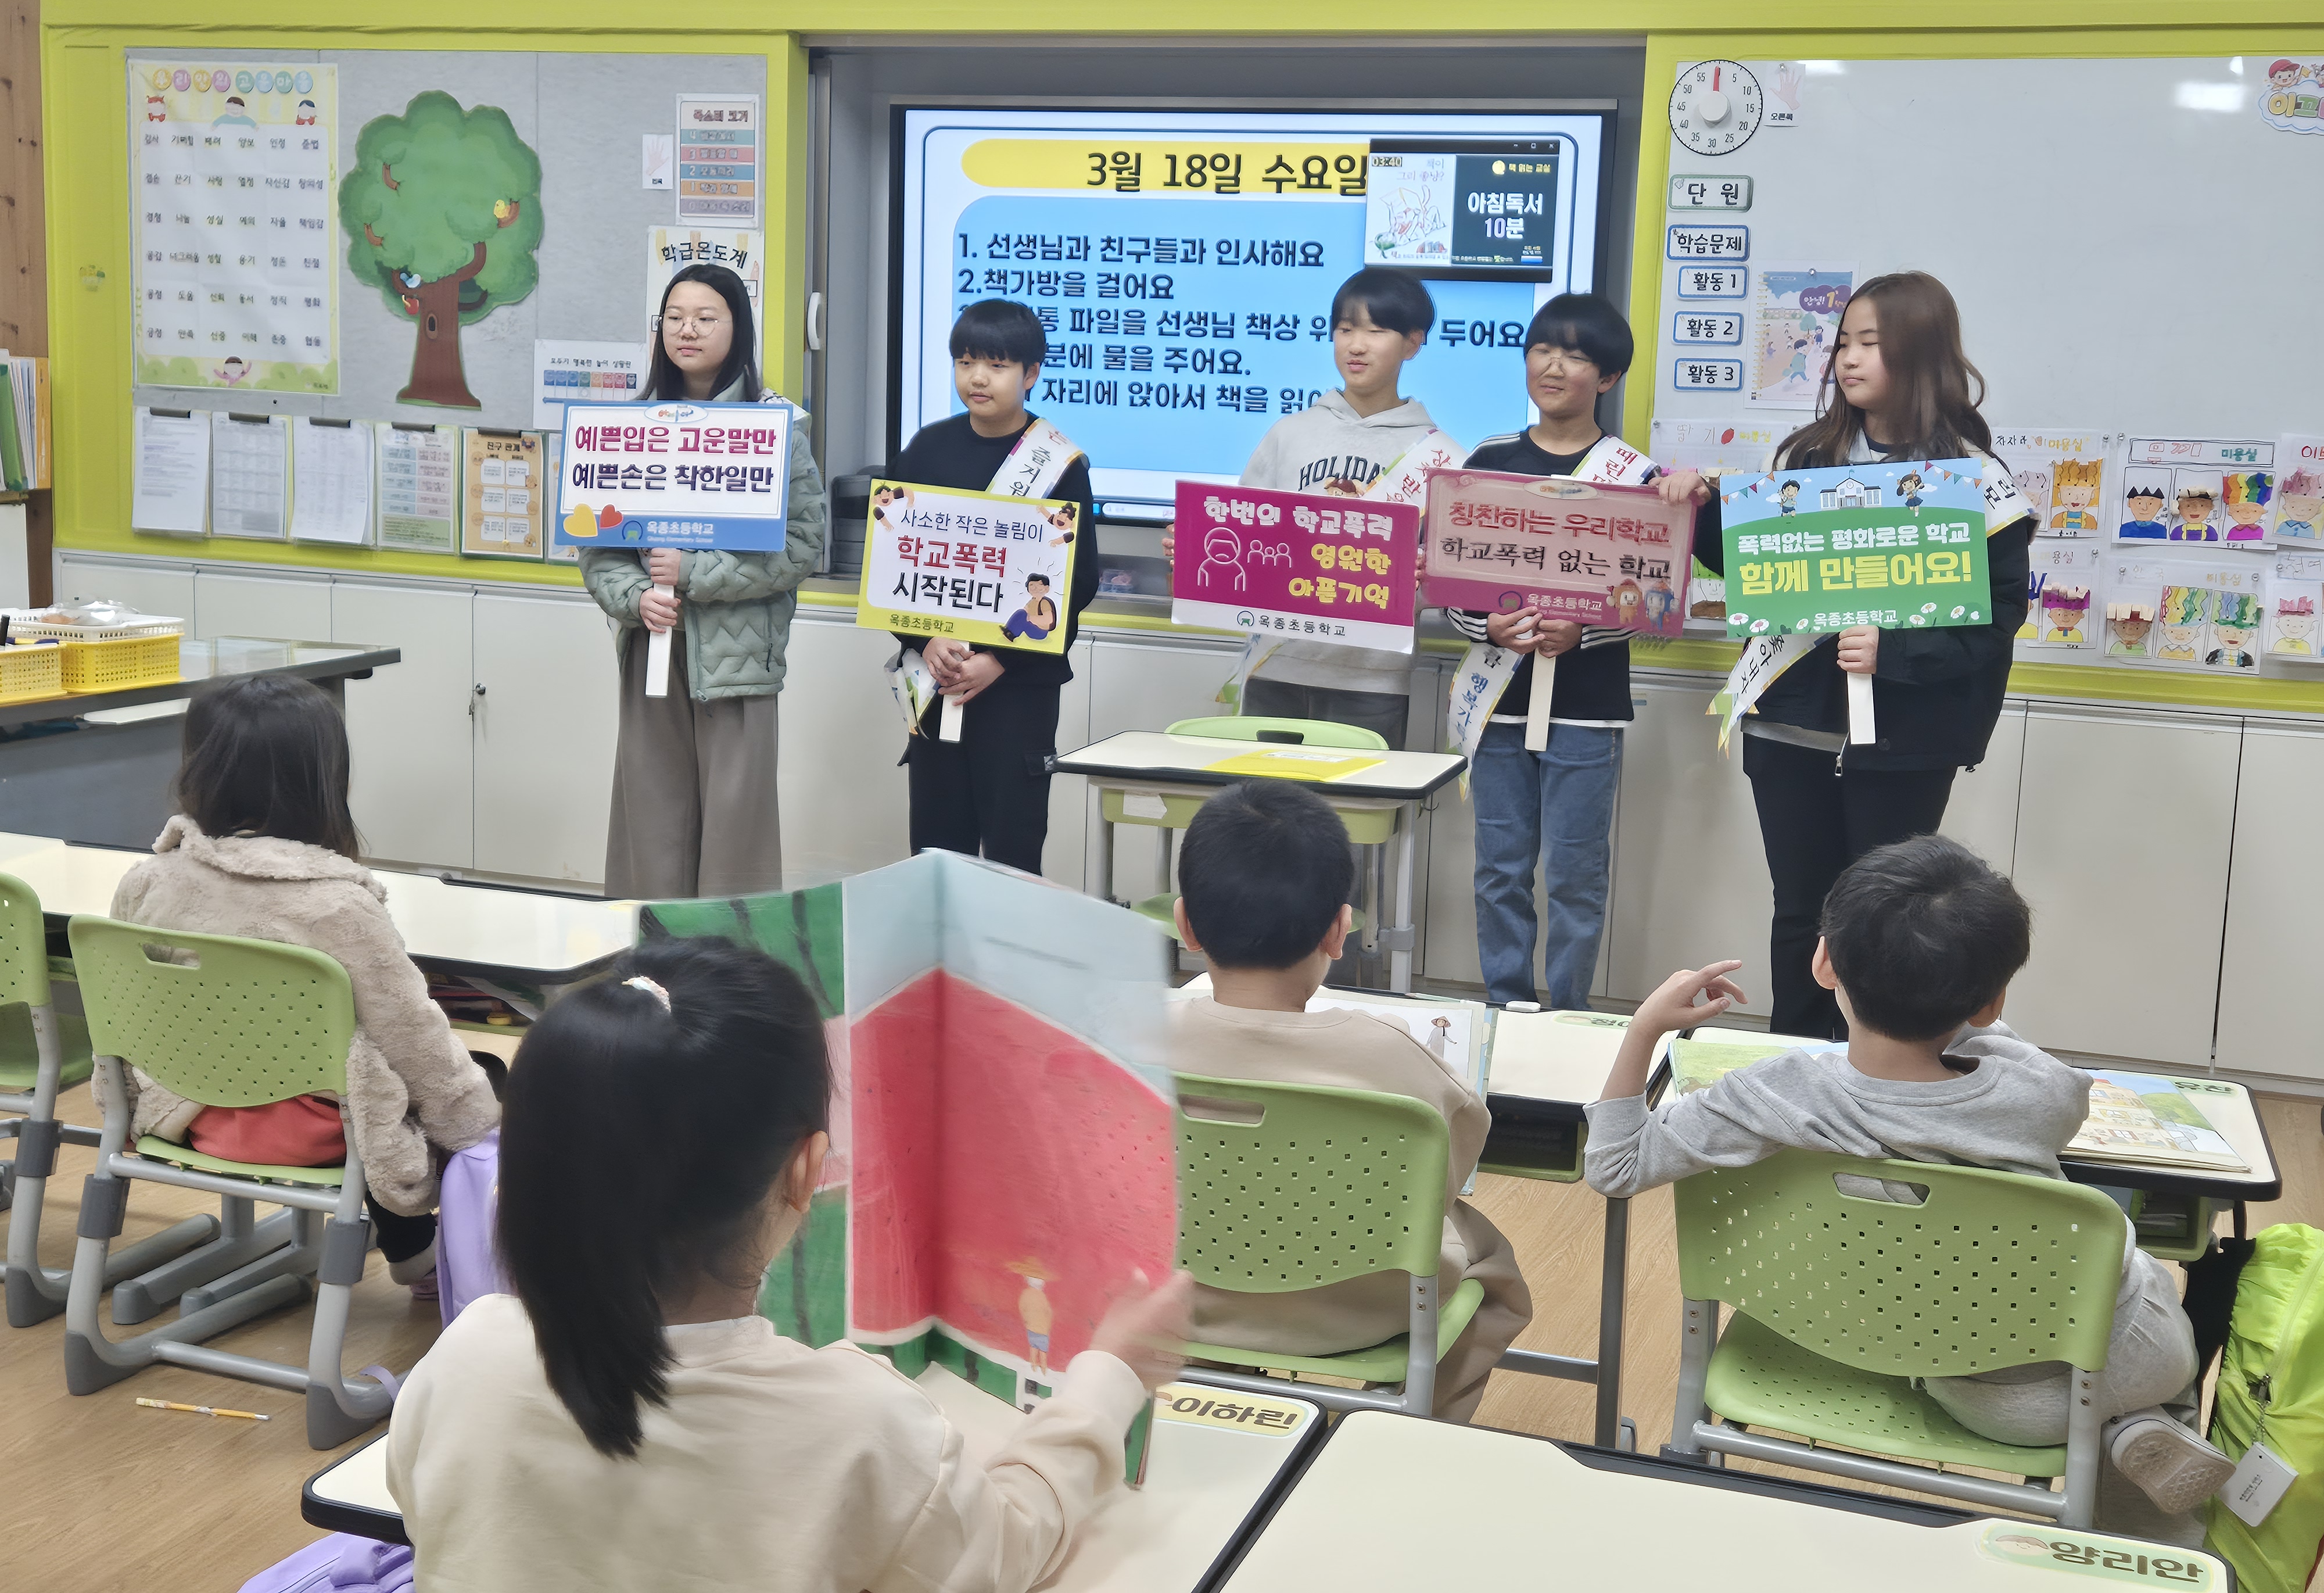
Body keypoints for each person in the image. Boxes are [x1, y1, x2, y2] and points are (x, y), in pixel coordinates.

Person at [388, 936, 1192, 1590]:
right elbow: (1008, 1547)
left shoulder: (464, 1360)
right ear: (807, 1171)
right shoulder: (859, 1430)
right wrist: (1107, 1378)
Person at [1583, 836, 2230, 1519]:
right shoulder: (2040, 1094)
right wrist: (1972, 991)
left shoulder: (1771, 1096)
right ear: (1990, 1001)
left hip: (1981, 1389)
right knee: (2137, 1270)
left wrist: (1644, 1030)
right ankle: (2137, 1445)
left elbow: (1616, 1166)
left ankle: (2128, 1435)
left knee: (1969, 1322)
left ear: (1823, 963)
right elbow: (1998, 1043)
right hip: (2132, 1352)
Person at [1656, 271, 2034, 1037]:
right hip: (1790, 729)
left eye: (1872, 343)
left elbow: (1994, 620)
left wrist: (1894, 651)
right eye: (1844, 344)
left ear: (1922, 353)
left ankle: (1878, 1072)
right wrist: (1702, 513)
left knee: (1886, 921)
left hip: (1902, 746)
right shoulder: (1811, 458)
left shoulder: (1976, 481)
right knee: (1802, 912)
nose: (1849, 359)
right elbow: (1762, 565)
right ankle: (1793, 1068)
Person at [102, 674, 500, 1297]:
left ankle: (410, 1245)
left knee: (360, 1067)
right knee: (454, 1079)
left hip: (182, 1112)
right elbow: (416, 1042)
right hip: (312, 1130)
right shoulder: (339, 907)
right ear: (324, 778)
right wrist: (483, 1125)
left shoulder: (148, 881)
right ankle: (423, 1252)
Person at [1166, 781, 1532, 1422]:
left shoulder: (1122, 1048)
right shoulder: (1391, 1056)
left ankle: (1215, 1393)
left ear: (1185, 924)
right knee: (1488, 1261)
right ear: (1340, 930)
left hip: (1173, 1298)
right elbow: (1449, 1173)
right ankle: (1395, 1433)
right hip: (1354, 1314)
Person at [580, 263, 826, 900]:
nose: (687, 330)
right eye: (675, 317)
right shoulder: (628, 427)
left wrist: (695, 574)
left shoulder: (776, 429)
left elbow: (802, 546)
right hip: (650, 649)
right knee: (651, 826)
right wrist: (636, 598)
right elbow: (598, 547)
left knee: (734, 839)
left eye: (705, 317)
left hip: (738, 660)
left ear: (736, 328)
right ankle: (647, 975)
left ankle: (725, 985)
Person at [1445, 294, 1656, 1011]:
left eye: (1573, 355)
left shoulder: (1634, 477)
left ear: (1607, 378)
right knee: (1498, 869)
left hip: (1586, 709)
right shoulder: (1489, 460)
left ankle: (1567, 1014)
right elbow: (1451, 582)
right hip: (1500, 703)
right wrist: (1488, 630)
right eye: (1540, 349)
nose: (1552, 366)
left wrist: (1585, 632)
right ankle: (1504, 1003)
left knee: (1574, 873)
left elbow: (1652, 594)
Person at [1163, 267, 1448, 749]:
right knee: (1264, 817)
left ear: (1413, 343)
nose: (1356, 345)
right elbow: (1244, 536)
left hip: (1373, 675)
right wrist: (1192, 551)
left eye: (1376, 331)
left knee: (1355, 818)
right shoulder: (1289, 433)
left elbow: (1441, 577)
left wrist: (1423, 582)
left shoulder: (1440, 456)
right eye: (1345, 329)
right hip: (1276, 662)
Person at [893, 299, 1099, 875]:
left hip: (1017, 689)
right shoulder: (926, 449)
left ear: (1031, 374)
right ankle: (938, 964)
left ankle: (1007, 967)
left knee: (1012, 846)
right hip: (933, 677)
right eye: (965, 362)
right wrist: (925, 640)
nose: (977, 377)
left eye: (997, 365)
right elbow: (893, 566)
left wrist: (999, 660)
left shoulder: (1059, 466)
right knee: (936, 846)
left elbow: (1075, 583)